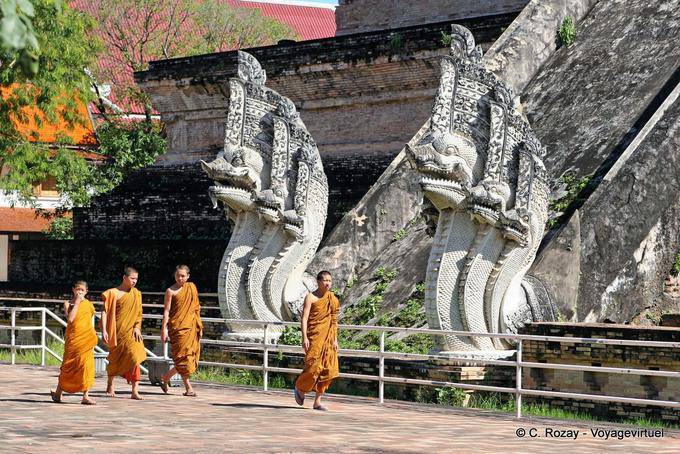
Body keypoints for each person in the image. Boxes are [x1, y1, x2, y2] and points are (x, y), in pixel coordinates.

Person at [294, 270, 340, 411]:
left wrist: (335, 339)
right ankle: (300, 387)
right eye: (325, 280)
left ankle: (317, 402)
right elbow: (305, 318)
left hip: (329, 339)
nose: (327, 283)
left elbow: (333, 321)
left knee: (328, 369)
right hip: (314, 338)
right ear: (318, 281)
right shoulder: (311, 297)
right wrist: (304, 337)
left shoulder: (333, 299)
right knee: (313, 367)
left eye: (329, 281)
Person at [101, 266, 147, 400]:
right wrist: (104, 330)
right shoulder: (113, 293)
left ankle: (135, 390)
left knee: (135, 357)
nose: (134, 281)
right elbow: (105, 311)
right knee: (115, 359)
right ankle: (110, 384)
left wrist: (138, 327)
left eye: (136, 279)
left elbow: (139, 313)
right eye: (132, 278)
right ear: (124, 278)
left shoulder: (136, 294)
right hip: (117, 333)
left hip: (132, 333)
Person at [50, 280, 98, 405]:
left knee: (86, 366)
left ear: (86, 292)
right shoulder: (67, 304)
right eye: (78, 289)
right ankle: (58, 393)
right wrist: (76, 302)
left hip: (85, 340)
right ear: (73, 290)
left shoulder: (89, 305)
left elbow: (88, 319)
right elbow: (71, 319)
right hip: (73, 340)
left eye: (82, 290)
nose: (80, 292)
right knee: (68, 366)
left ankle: (85, 395)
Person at [159, 264, 203, 397]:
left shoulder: (192, 287)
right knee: (182, 358)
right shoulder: (170, 291)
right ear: (174, 275)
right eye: (178, 275)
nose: (180, 278)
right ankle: (189, 388)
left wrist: (199, 325)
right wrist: (163, 329)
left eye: (183, 276)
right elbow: (166, 311)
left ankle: (165, 378)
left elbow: (196, 308)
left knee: (188, 358)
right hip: (178, 328)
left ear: (188, 276)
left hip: (191, 327)